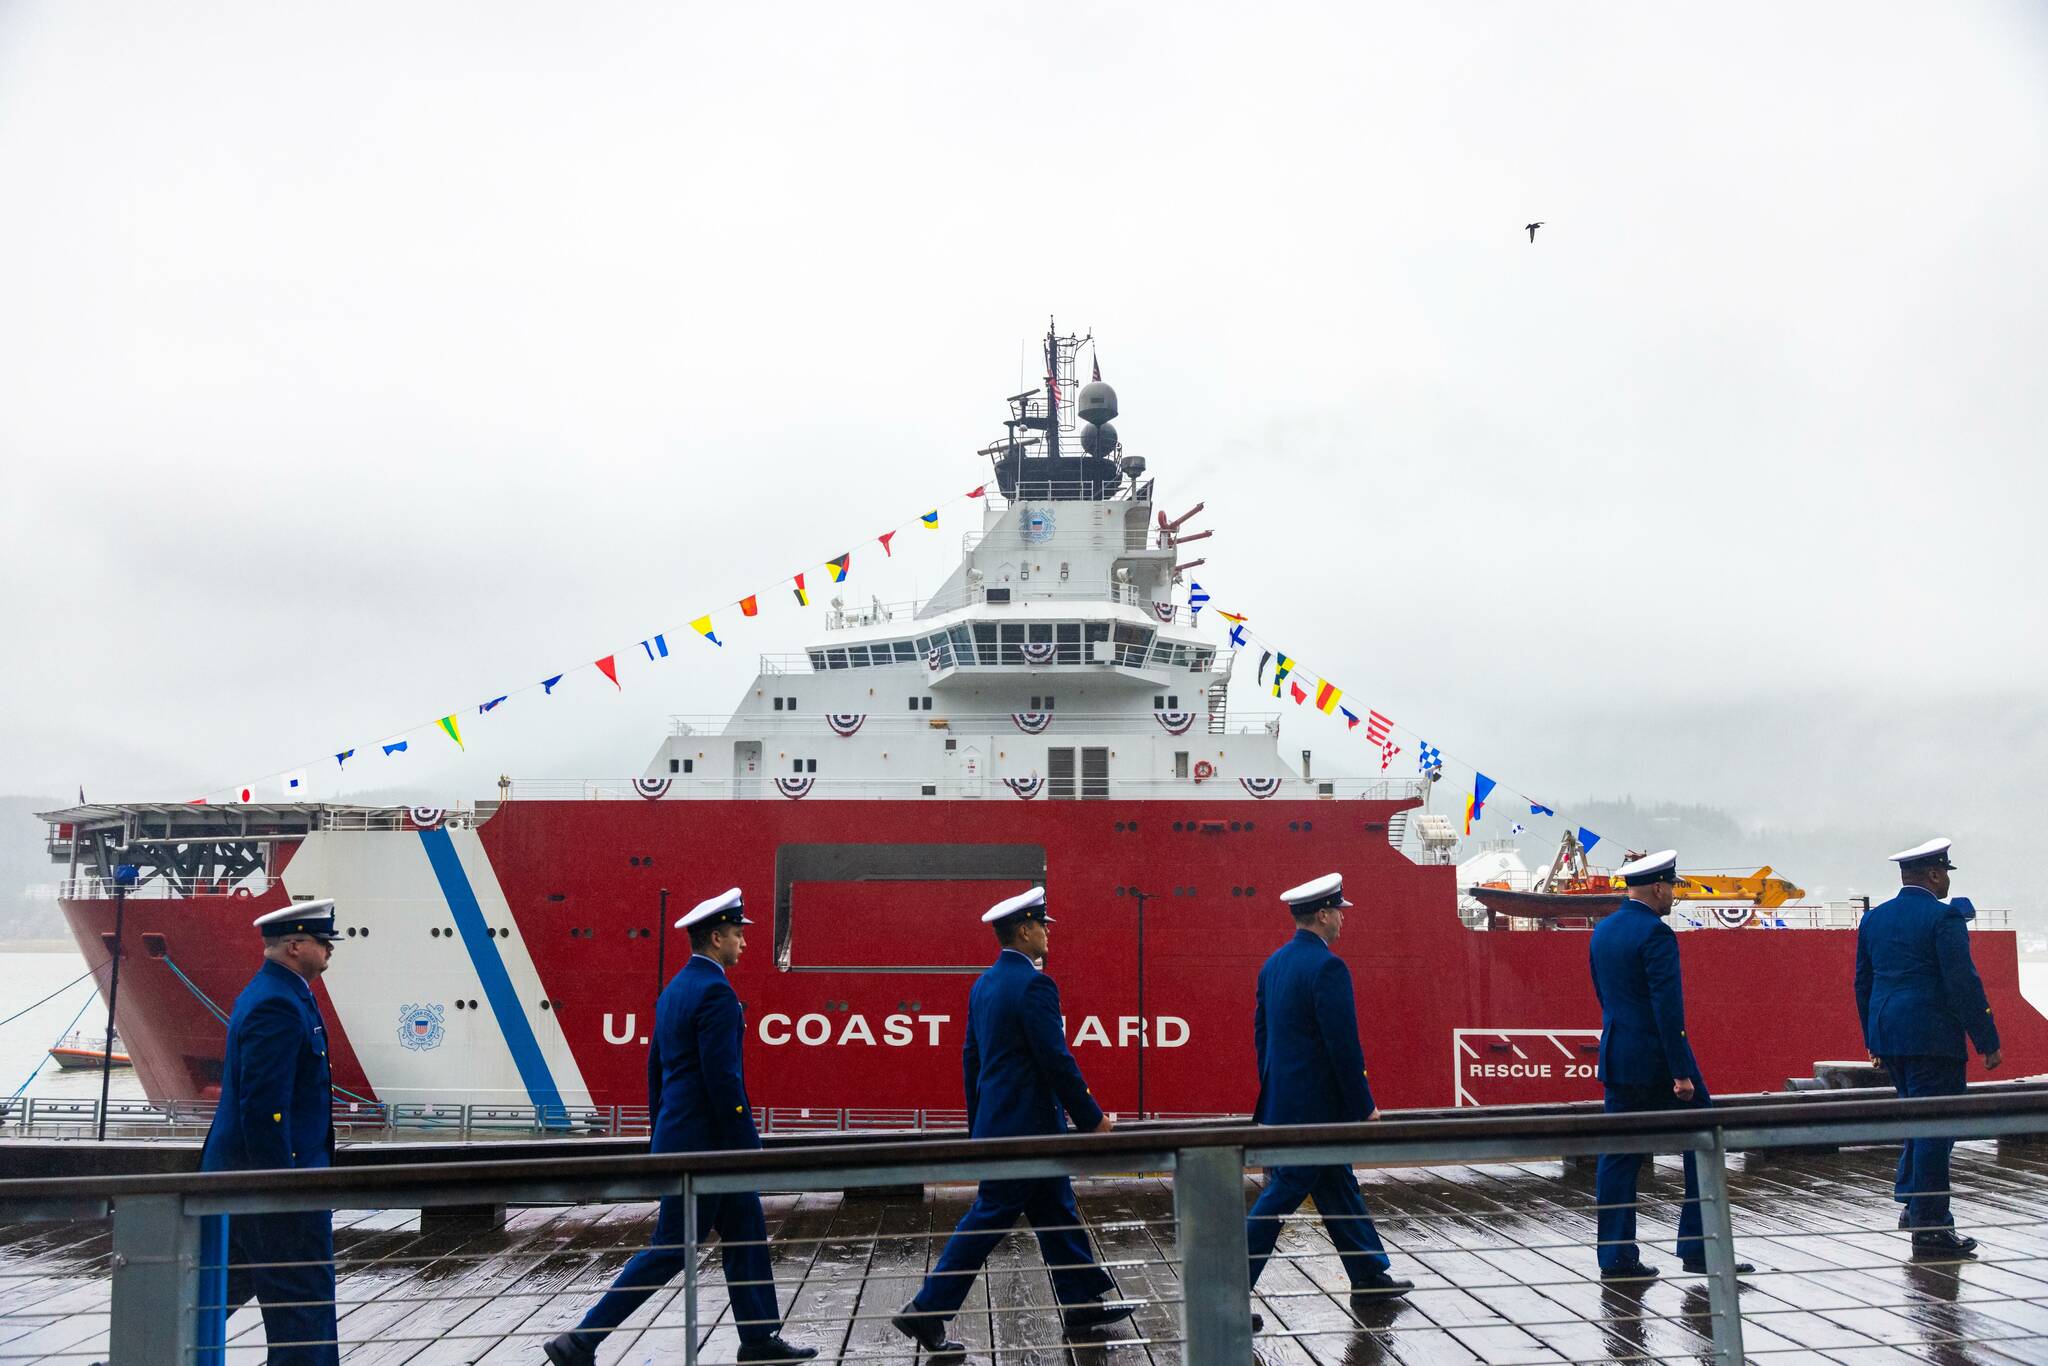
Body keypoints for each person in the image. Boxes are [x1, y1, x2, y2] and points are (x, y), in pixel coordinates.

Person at [546, 890, 815, 1366]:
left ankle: (758, 1338)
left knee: (747, 1231)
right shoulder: (715, 992)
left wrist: (661, 1138)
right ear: (716, 938)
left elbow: (656, 1073)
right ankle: (581, 1339)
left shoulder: (673, 991)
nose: (743, 944)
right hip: (710, 1147)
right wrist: (747, 1147)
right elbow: (723, 1079)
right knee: (671, 1248)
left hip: (685, 1139)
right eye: (737, 935)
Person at [893, 887, 1135, 1359]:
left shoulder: (983, 984)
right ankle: (927, 1308)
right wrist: (1091, 1118)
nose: (1047, 934)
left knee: (1056, 1209)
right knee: (991, 1215)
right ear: (1025, 930)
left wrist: (977, 1125)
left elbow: (971, 1060)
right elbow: (1056, 1060)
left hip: (1001, 1124)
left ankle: (1083, 1301)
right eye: (1043, 926)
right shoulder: (1035, 985)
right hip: (1032, 1131)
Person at [1244, 873, 1412, 1322]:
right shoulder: (1328, 967)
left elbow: (1263, 1037)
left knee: (1338, 1185)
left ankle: (1370, 1277)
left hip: (1284, 1103)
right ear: (1322, 914)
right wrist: (1364, 1106)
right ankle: (1225, 1288)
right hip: (1316, 1112)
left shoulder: (1273, 964)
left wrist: (1275, 1089)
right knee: (1280, 1195)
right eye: (1339, 912)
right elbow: (1343, 1044)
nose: (1342, 920)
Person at [1589, 850, 1752, 1281]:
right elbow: (1667, 1008)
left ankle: (1616, 1258)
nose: (1674, 897)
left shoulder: (1602, 931)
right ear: (1659, 887)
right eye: (1672, 888)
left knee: (1618, 1157)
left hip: (1618, 1056)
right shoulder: (1657, 935)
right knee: (1704, 1141)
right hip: (1660, 1061)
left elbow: (1606, 998)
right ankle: (1700, 1249)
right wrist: (1681, 1072)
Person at [198, 899, 343, 1366]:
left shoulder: (280, 992)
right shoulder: (279, 1002)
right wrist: (283, 1185)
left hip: (248, 1180)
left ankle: (138, 1355)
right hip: (275, 1182)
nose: (330, 952)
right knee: (303, 1302)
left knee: (212, 1295)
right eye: (324, 943)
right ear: (296, 945)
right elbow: (264, 1108)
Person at [1855, 838, 2001, 1258]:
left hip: (1889, 1035)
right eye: (1945, 874)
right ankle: (1932, 1228)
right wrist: (1987, 1040)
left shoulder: (1874, 919)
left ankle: (1912, 1204)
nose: (1946, 882)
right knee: (1937, 1127)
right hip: (1932, 1038)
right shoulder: (1945, 917)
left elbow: (1863, 983)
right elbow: (1962, 983)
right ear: (1935, 874)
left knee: (1915, 1119)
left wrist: (1873, 1038)